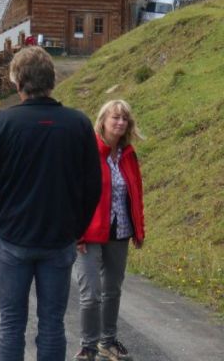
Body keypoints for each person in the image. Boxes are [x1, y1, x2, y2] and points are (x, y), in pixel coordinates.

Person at [0, 46, 102, 361]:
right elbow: (92, 186)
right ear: (52, 80)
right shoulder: (78, 124)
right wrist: (76, 227)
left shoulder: (4, 123)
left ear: (18, 82)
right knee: (52, 323)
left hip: (13, 237)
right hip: (59, 238)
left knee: (12, 323)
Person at [74, 100, 145, 361]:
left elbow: (135, 193)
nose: (120, 123)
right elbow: (75, 194)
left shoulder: (128, 154)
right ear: (102, 120)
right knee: (90, 293)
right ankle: (88, 345)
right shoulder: (88, 151)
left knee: (112, 289)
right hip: (89, 233)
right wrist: (76, 232)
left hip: (120, 230)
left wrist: (139, 229)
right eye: (115, 118)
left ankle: (108, 341)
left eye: (124, 119)